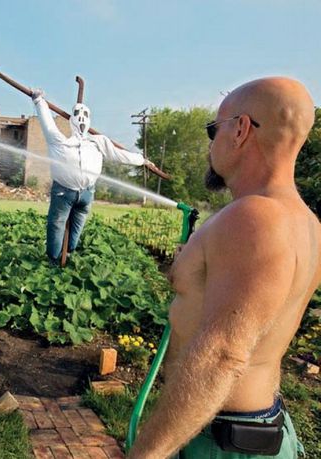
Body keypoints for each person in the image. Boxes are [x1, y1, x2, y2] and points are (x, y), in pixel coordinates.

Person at [128, 77, 321, 458]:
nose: (210, 142)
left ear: (240, 129)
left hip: (222, 443)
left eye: (212, 130)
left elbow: (222, 355)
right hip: (251, 430)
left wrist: (146, 454)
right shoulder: (306, 223)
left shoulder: (255, 217)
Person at [31, 89, 153, 264]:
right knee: (56, 225)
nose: (81, 119)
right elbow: (47, 123)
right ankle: (54, 260)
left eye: (85, 115)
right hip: (63, 194)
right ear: (72, 120)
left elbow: (121, 155)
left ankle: (69, 252)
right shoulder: (59, 141)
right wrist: (39, 101)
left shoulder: (99, 142)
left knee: (76, 228)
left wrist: (142, 160)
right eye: (78, 115)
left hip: (87, 194)